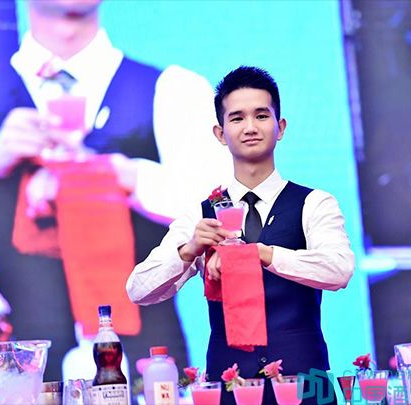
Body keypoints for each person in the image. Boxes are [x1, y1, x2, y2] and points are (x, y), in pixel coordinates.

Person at [0, 0, 228, 381]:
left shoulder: (174, 89)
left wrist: (127, 176)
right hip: (13, 364)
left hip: (147, 358)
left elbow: (220, 209)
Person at [126, 66, 354, 404]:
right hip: (229, 388)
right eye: (237, 118)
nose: (250, 127)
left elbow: (339, 271)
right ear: (220, 133)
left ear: (280, 127)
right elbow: (137, 291)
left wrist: (260, 253)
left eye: (261, 115)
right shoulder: (200, 215)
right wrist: (188, 250)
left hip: (308, 385)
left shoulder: (314, 203)